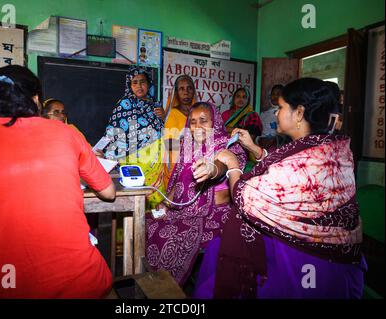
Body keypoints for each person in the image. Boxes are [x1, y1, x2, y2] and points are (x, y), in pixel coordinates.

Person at [0, 65, 116, 298]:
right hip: (77, 278)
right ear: (36, 100)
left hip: (1, 281)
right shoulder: (67, 133)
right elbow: (108, 193)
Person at [194, 77, 366, 299]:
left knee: (222, 254)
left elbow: (247, 200)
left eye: (281, 107)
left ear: (299, 113)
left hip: (309, 262)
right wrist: (254, 149)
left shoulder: (305, 162)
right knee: (218, 248)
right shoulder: (328, 148)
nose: (275, 113)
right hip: (337, 250)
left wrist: (232, 166)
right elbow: (283, 169)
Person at [145, 102, 247, 286]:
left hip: (213, 214)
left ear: (214, 122)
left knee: (167, 236)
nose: (197, 127)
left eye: (203, 121)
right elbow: (179, 181)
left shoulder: (227, 144)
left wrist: (212, 169)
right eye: (192, 122)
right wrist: (165, 202)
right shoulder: (187, 146)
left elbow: (223, 166)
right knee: (148, 221)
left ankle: (165, 288)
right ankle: (152, 284)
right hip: (182, 208)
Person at [103, 66, 165, 208]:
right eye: (134, 82)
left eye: (142, 81)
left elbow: (161, 132)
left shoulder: (156, 105)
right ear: (129, 85)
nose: (139, 86)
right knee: (134, 205)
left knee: (154, 207)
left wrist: (163, 117)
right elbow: (113, 133)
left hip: (155, 165)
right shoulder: (123, 105)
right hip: (132, 163)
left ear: (149, 84)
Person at [163, 75, 197, 184]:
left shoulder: (199, 113)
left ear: (194, 91)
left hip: (197, 166)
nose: (186, 92)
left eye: (189, 88)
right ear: (176, 92)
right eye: (181, 89)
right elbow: (168, 144)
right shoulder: (172, 114)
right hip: (176, 168)